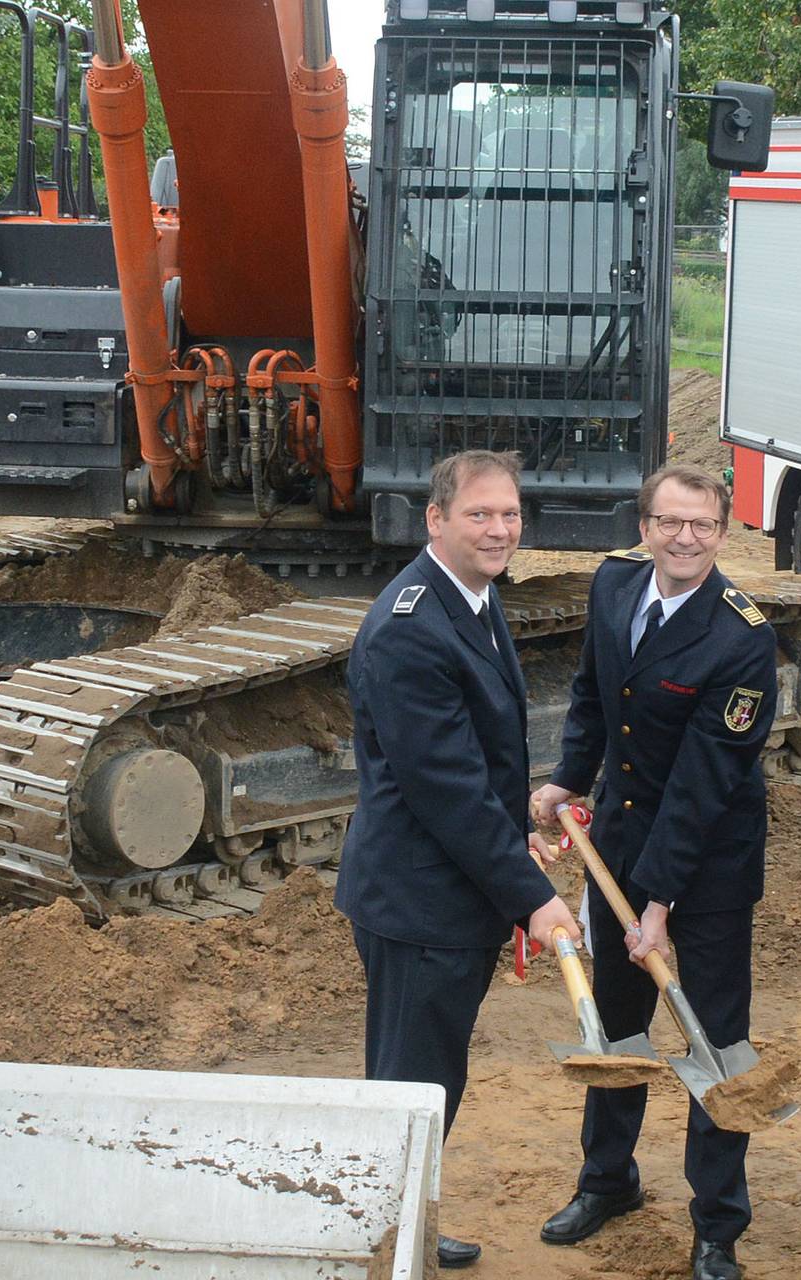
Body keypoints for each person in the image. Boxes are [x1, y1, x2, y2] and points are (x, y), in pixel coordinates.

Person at [527, 467, 777, 1280]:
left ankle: (718, 1223)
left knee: (714, 1040)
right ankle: (607, 1180)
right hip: (620, 852)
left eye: (702, 525)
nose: (684, 539)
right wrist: (570, 774)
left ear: (725, 532)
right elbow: (596, 699)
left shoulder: (742, 637)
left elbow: (707, 782)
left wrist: (660, 901)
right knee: (618, 1024)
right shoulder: (614, 585)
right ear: (645, 525)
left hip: (705, 871)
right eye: (669, 522)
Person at [336, 449, 582, 1271]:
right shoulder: (413, 629)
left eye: (509, 514)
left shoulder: (469, 599)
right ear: (435, 519)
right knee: (412, 1091)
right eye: (480, 514)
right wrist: (534, 896)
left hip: (446, 891)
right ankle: (383, 1243)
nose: (500, 528)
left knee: (427, 1086)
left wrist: (519, 822)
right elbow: (443, 789)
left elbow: (474, 761)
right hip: (421, 903)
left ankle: (401, 1219)